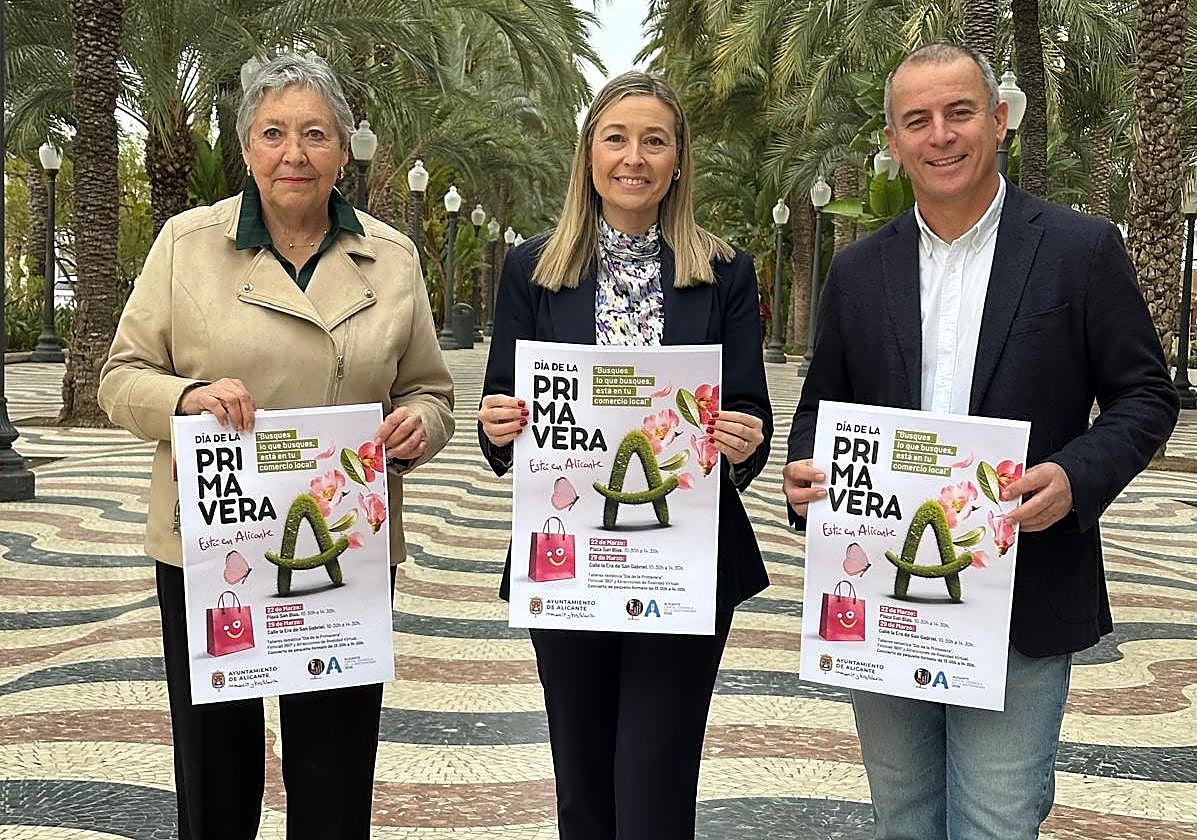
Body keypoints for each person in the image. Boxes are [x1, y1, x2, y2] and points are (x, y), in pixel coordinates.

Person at [784, 43, 1179, 840]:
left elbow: (1145, 395)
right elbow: (821, 409)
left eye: (958, 113)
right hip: (883, 595)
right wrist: (803, 476)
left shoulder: (1078, 249)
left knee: (995, 822)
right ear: (892, 142)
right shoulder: (858, 271)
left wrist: (1075, 474)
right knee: (903, 819)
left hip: (1020, 590)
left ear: (998, 120)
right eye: (917, 120)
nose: (940, 136)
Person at [98, 53, 454, 840]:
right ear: (246, 147)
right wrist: (186, 398)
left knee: (333, 771)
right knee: (215, 770)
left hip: (341, 546)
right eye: (273, 133)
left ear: (343, 150)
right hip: (212, 547)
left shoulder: (391, 258)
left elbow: (429, 391)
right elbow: (119, 379)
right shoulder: (186, 245)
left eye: (315, 134)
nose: (294, 153)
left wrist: (417, 428)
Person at [477, 71, 772, 839]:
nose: (633, 157)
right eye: (616, 138)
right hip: (570, 560)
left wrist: (743, 437)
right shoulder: (533, 270)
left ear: (678, 161)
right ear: (588, 155)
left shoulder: (724, 271)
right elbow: (500, 404)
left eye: (654, 141)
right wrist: (498, 424)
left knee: (654, 790)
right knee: (582, 790)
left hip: (682, 560)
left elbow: (749, 408)